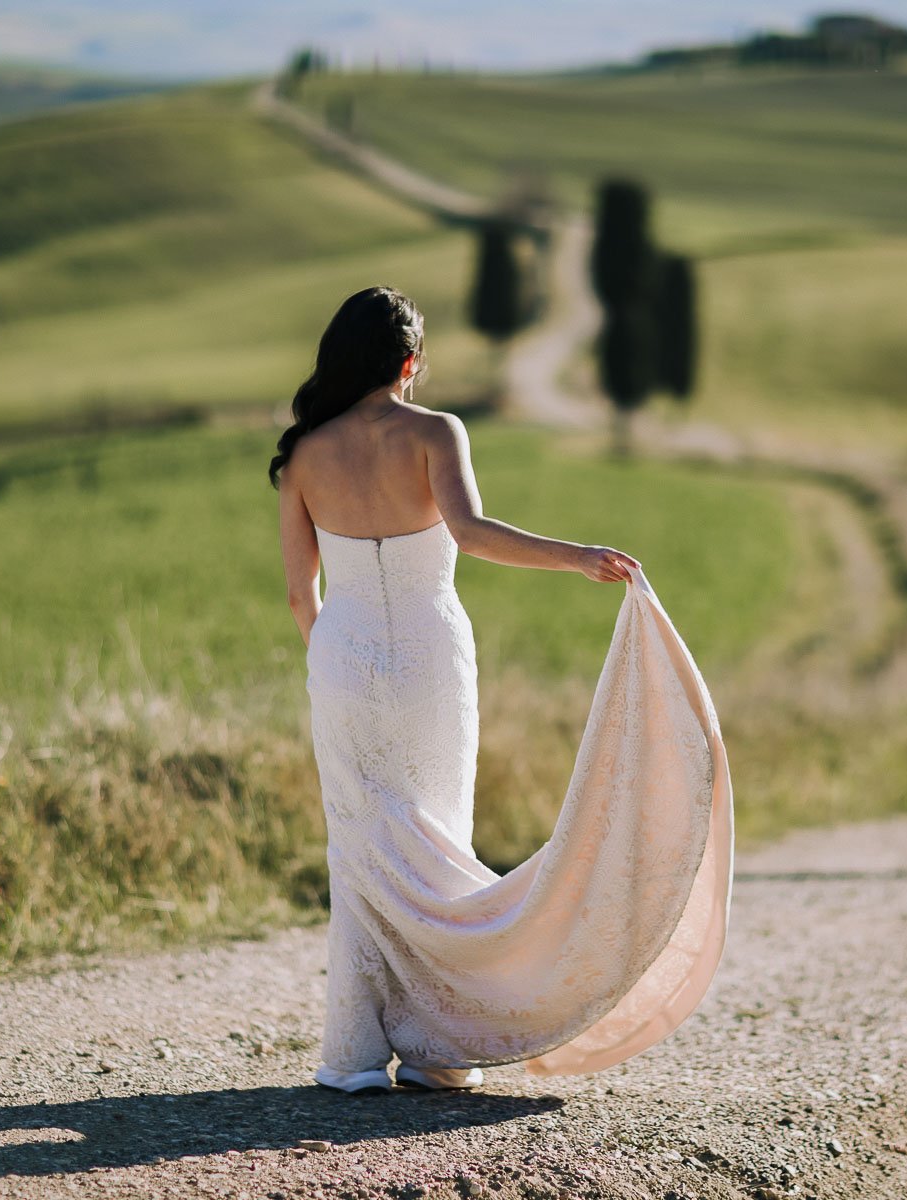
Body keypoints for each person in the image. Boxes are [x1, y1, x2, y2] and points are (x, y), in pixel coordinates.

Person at [270, 287, 733, 1095]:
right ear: (410, 364)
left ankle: (350, 1056)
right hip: (427, 654)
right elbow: (474, 535)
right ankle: (437, 1045)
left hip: (340, 662)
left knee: (362, 843)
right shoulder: (433, 431)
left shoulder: (304, 455)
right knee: (437, 834)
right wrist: (578, 555)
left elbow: (298, 595)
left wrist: (332, 660)